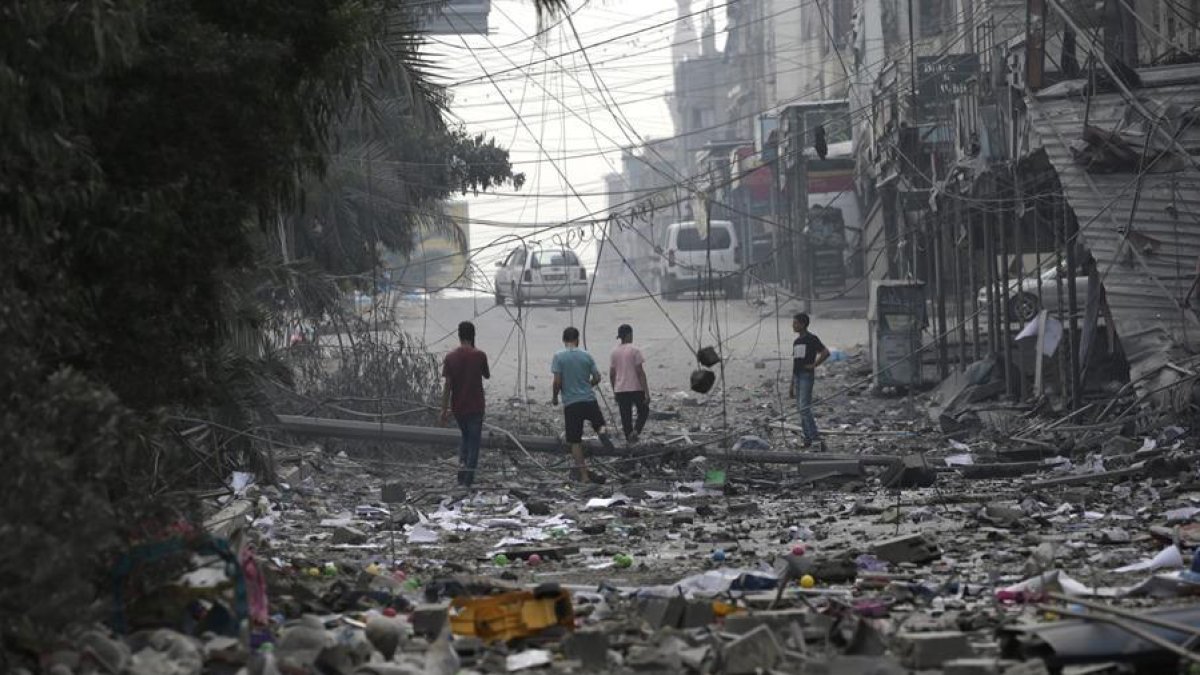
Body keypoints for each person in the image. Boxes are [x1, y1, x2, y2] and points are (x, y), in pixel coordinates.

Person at [551, 326, 614, 482]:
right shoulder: (586, 355)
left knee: (575, 441)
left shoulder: (559, 357)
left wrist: (554, 397)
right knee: (599, 424)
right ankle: (602, 431)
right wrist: (587, 385)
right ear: (578, 339)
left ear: (564, 340)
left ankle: (584, 476)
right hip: (589, 400)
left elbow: (557, 381)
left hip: (572, 404)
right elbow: (598, 377)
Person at [440, 321, 490, 487]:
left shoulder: (450, 357)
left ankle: (462, 470)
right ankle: (467, 479)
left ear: (459, 335)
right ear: (473, 335)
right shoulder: (479, 355)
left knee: (465, 437)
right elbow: (487, 375)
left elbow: (447, 385)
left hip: (458, 406)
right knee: (473, 442)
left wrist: (444, 408)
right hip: (476, 406)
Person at [789, 312, 830, 448]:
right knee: (801, 408)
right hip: (798, 376)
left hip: (806, 375)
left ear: (803, 324)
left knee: (805, 408)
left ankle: (815, 438)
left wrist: (814, 365)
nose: (793, 325)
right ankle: (807, 439)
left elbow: (825, 352)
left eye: (795, 323)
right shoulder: (796, 341)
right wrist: (791, 384)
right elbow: (796, 363)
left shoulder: (812, 339)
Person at [609, 323, 649, 444]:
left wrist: (614, 390)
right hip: (636, 388)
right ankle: (636, 432)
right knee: (644, 410)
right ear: (629, 335)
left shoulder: (614, 352)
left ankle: (629, 442)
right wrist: (646, 392)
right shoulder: (635, 350)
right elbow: (640, 372)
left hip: (621, 389)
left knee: (626, 417)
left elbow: (612, 374)